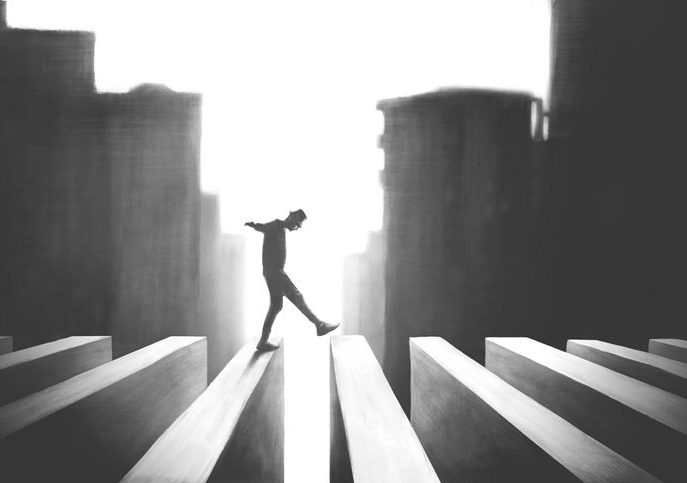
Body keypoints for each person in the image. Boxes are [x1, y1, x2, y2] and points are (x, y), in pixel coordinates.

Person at [245, 209, 339, 351]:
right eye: (297, 224)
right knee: (297, 296)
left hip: (272, 273)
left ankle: (262, 342)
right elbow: (263, 227)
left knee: (276, 306)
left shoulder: (281, 229)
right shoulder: (275, 225)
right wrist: (253, 225)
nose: (297, 228)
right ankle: (319, 325)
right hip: (275, 273)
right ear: (290, 218)